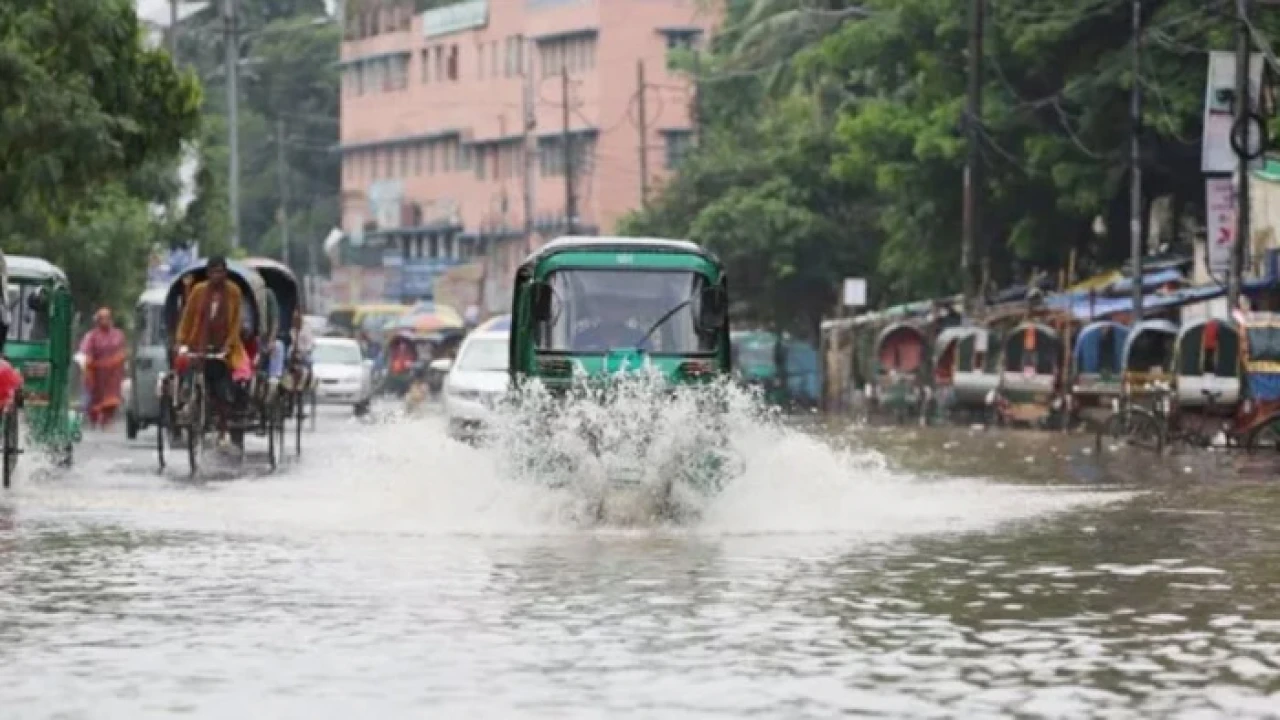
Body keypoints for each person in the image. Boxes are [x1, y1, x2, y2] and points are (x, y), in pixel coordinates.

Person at [174, 256, 249, 441]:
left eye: (221, 271)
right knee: (186, 366)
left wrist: (228, 345)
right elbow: (188, 317)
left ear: (226, 273)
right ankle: (187, 401)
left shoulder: (233, 292)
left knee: (222, 380)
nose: (218, 275)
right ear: (208, 274)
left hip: (225, 346)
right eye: (214, 271)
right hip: (197, 342)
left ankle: (223, 417)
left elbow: (235, 322)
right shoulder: (198, 291)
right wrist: (181, 340)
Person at [77, 308, 127, 429]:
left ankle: (107, 420)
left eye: (107, 318)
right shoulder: (91, 336)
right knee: (94, 400)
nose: (105, 321)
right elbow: (84, 353)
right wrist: (88, 365)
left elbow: (122, 352)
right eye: (102, 318)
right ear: (97, 320)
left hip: (112, 375)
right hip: (96, 374)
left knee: (111, 401)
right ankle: (93, 420)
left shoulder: (118, 335)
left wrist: (118, 361)